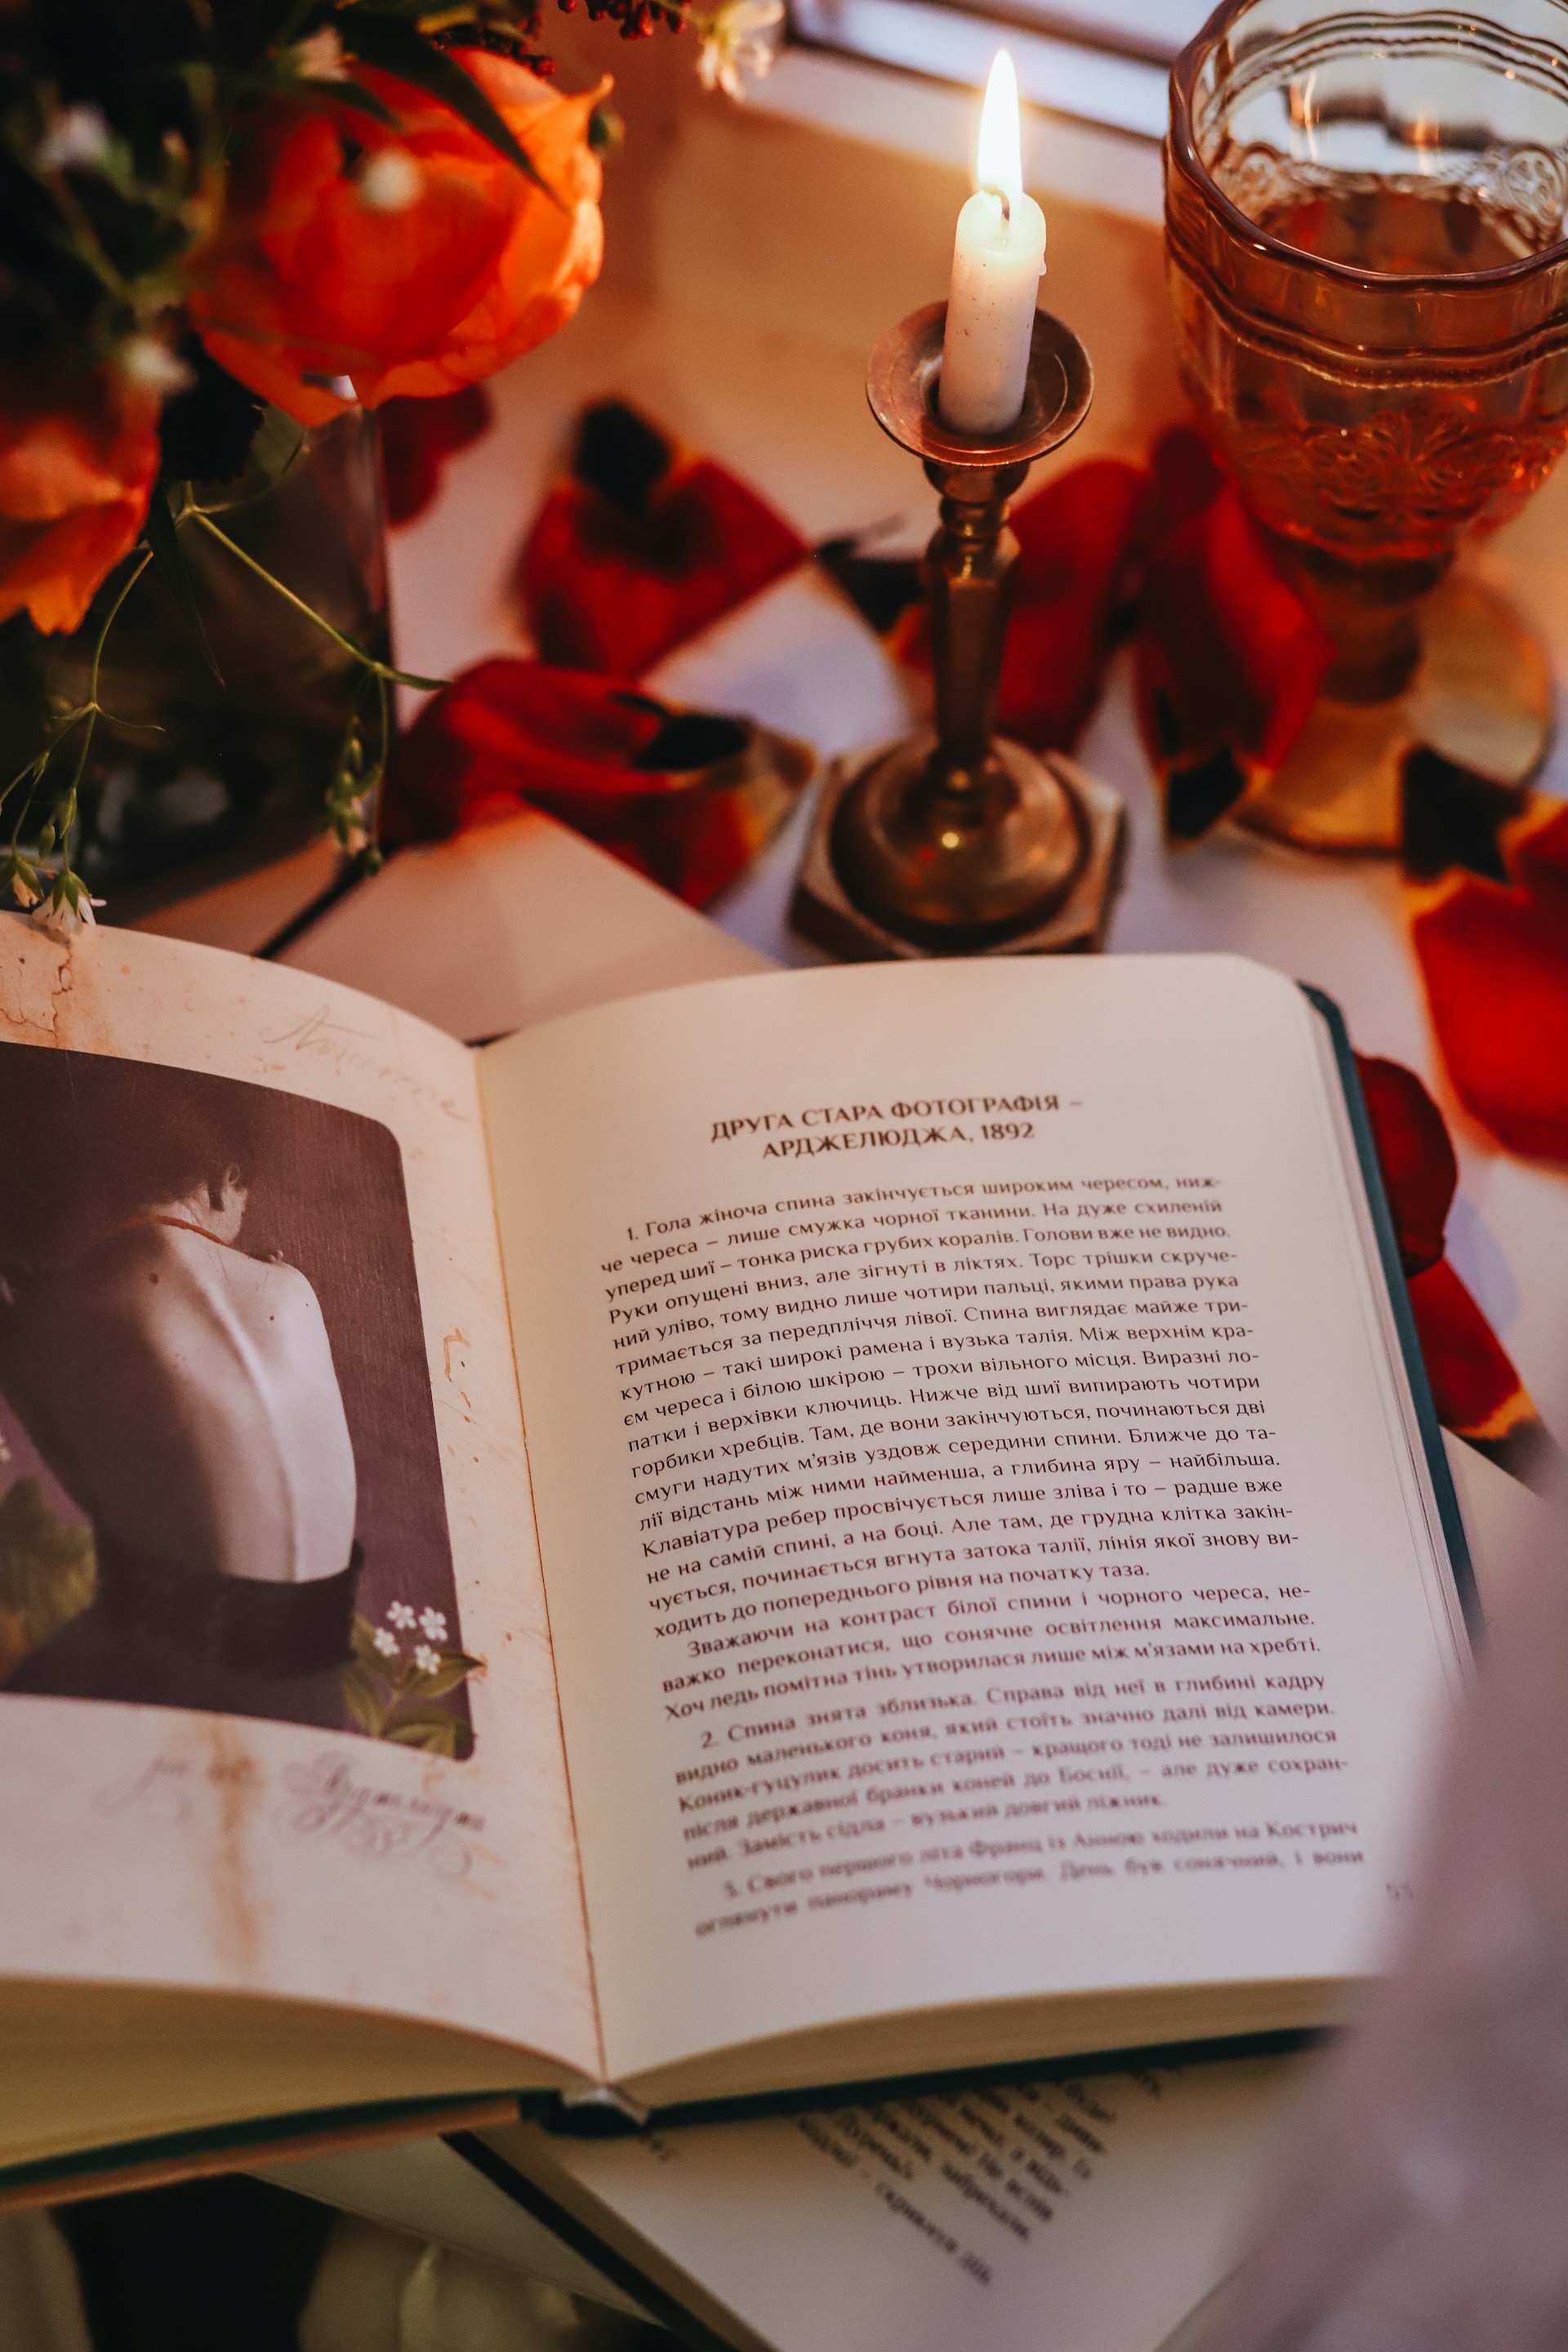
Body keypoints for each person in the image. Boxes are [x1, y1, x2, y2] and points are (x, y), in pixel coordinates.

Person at [0, 1065, 360, 1726]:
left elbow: (86, 1479)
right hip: (317, 1673)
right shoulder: (294, 1288)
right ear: (228, 1180)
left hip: (182, 1664)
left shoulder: (56, 1313)